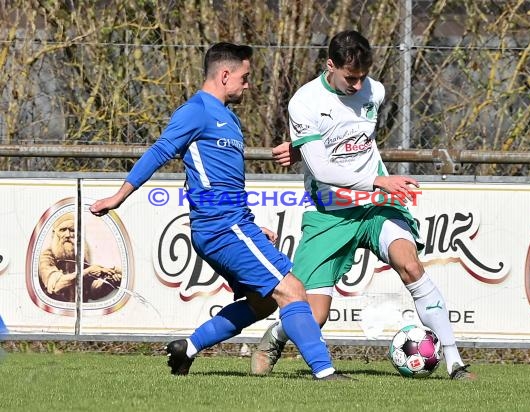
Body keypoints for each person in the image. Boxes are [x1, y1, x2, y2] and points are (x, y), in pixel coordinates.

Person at [90, 42, 347, 380]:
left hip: (232, 224)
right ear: (225, 75)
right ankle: (325, 373)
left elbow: (222, 183)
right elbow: (159, 151)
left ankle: (188, 348)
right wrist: (119, 196)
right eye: (245, 76)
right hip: (221, 227)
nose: (248, 84)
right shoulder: (195, 111)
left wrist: (252, 225)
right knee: (292, 290)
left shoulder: (228, 117)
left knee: (264, 303)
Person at [250, 30, 475, 380]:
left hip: (376, 205)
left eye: (362, 77)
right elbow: (323, 169)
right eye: (350, 78)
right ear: (330, 65)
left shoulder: (375, 90)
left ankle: (455, 362)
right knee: (315, 315)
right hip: (330, 212)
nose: (358, 86)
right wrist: (310, 151)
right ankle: (276, 337)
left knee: (411, 266)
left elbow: (353, 138)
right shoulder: (305, 102)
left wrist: (372, 183)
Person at [38, 213, 122, 302]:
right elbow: (56, 286)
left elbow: (91, 290)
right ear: (54, 233)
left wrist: (111, 281)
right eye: (62, 230)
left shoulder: (78, 257)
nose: (67, 235)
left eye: (72, 230)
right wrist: (88, 271)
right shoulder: (46, 257)